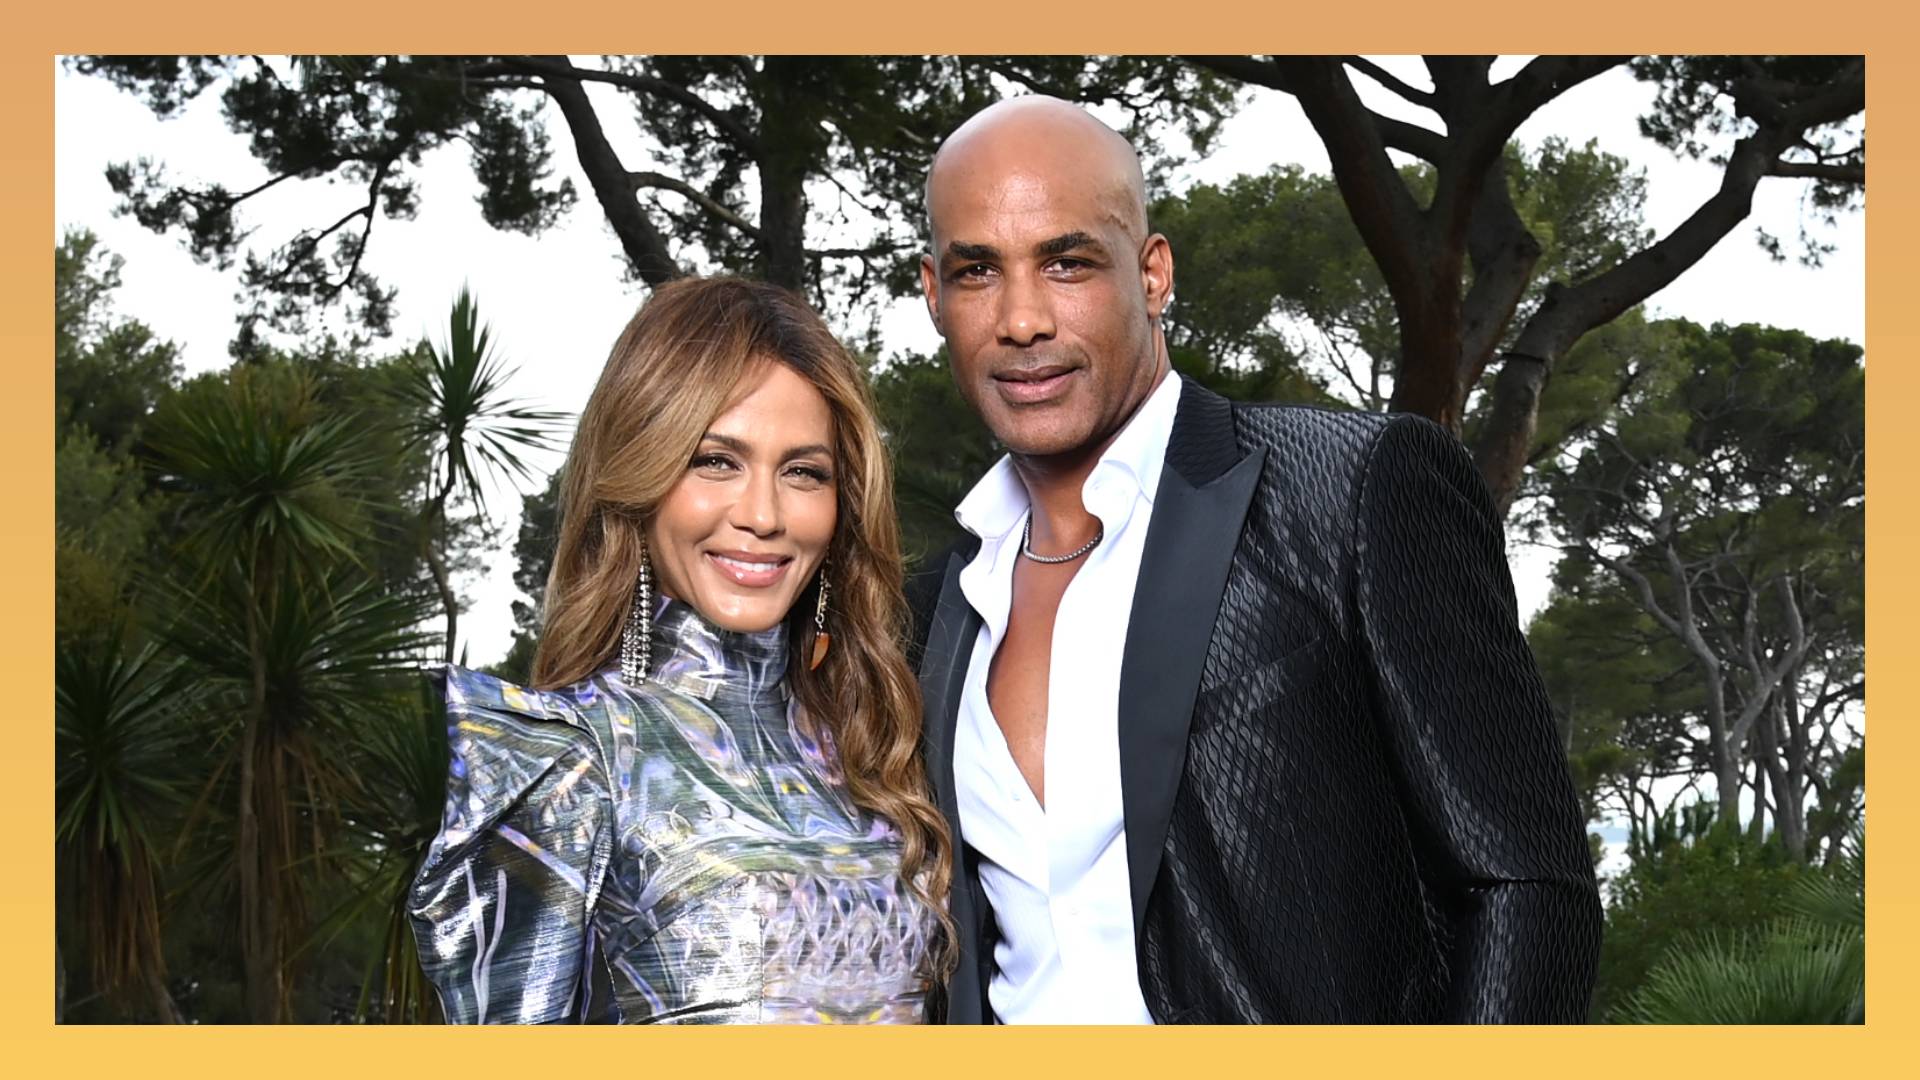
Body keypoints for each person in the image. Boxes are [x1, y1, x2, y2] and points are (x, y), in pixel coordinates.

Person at [908, 96, 1602, 1024]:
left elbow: (1529, 884)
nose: (1023, 319)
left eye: (1067, 262)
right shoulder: (933, 606)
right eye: (978, 272)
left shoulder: (1348, 489)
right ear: (934, 295)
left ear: (1152, 275)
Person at [409, 277, 955, 1024]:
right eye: (714, 461)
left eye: (802, 472)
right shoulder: (565, 762)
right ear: (640, 475)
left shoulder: (881, 753)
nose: (762, 515)